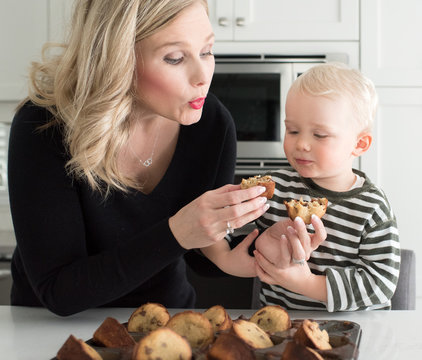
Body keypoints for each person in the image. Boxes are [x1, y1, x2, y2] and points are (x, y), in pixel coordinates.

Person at [7, 0, 323, 316]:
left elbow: (196, 251)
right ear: (117, 60)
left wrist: (258, 249)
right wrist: (177, 232)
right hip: (47, 333)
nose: (203, 76)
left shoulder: (212, 124)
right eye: (175, 58)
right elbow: (59, 291)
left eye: (207, 51)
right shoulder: (44, 125)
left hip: (165, 322)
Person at [252, 63, 401, 311]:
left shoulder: (372, 207)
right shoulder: (274, 188)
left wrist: (305, 283)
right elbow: (235, 242)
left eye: (319, 135)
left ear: (360, 144)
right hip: (282, 330)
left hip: (355, 331)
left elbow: (380, 284)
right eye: (293, 130)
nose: (301, 144)